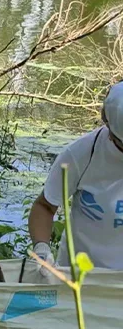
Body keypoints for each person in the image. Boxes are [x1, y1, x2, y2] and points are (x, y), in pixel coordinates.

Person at [29, 81, 123, 271]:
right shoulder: (81, 155)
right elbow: (44, 207)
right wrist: (42, 250)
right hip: (81, 277)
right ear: (111, 131)